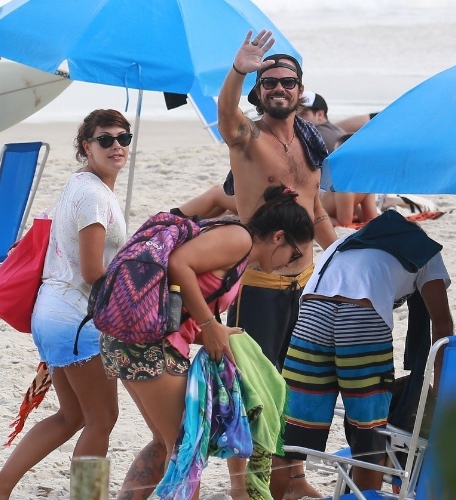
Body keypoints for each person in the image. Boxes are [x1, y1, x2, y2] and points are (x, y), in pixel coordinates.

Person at [102, 185, 314, 500]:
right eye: (295, 254)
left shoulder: (241, 258)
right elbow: (179, 264)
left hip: (133, 339)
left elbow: (183, 307)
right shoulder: (239, 239)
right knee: (188, 451)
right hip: (151, 344)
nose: (290, 263)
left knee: (165, 443)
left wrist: (215, 331)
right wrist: (209, 324)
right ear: (279, 237)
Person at [0, 109, 130, 500]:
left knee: (72, 415)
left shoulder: (78, 185)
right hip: (75, 320)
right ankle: (88, 497)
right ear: (87, 145)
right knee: (102, 419)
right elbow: (95, 271)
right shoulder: (94, 195)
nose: (116, 146)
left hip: (52, 312)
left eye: (123, 139)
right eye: (106, 140)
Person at [217, 29, 339, 499]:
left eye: (287, 82)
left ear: (300, 90)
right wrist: (237, 69)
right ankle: (244, 487)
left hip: (305, 285)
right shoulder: (248, 138)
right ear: (259, 91)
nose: (279, 89)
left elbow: (316, 210)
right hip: (259, 286)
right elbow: (226, 115)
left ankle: (292, 478)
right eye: (269, 83)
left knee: (299, 387)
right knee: (253, 391)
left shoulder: (309, 142)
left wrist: (343, 254)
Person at [272, 211, 455, 496]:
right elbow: (441, 324)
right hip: (362, 319)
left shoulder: (346, 243)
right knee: (369, 434)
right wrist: (441, 392)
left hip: (312, 314)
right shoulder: (424, 250)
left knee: (292, 431)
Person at [318, 133, 379, 227]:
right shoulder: (343, 183)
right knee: (313, 216)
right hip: (318, 212)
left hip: (336, 207)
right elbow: (344, 223)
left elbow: (370, 217)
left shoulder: (366, 182)